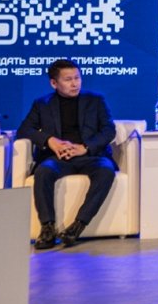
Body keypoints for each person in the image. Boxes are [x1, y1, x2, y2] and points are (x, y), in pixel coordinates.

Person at [16, 58, 118, 249]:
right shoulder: (42, 104)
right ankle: (47, 228)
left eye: (77, 78)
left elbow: (109, 130)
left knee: (106, 171)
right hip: (58, 158)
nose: (75, 83)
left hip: (91, 156)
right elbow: (24, 129)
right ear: (54, 83)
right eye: (68, 79)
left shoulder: (96, 100)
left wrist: (85, 147)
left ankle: (77, 226)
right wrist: (50, 140)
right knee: (43, 172)